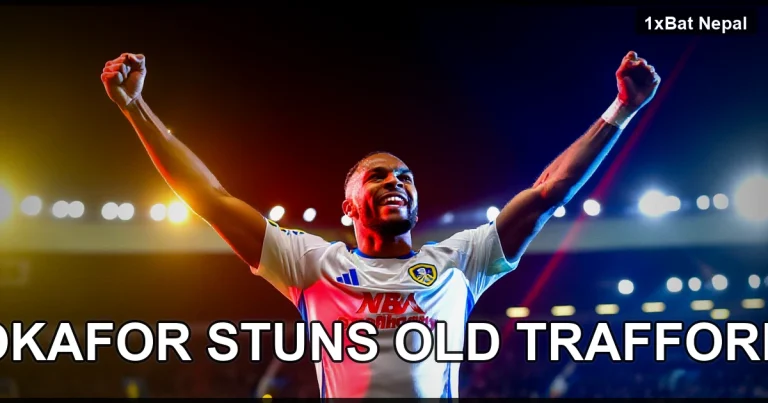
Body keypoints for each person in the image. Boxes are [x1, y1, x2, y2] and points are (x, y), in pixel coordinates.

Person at [101, 50, 660, 398]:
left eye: (405, 177)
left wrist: (622, 110)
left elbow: (546, 192)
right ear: (347, 207)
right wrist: (136, 109)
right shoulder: (309, 263)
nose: (395, 181)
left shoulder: (460, 261)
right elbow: (211, 198)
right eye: (376, 176)